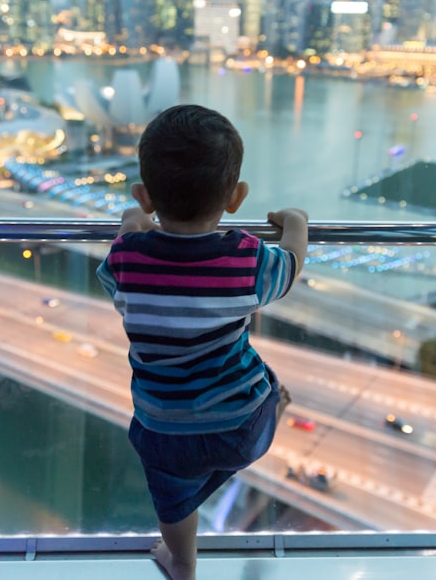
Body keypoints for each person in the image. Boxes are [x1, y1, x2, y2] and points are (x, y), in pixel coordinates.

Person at [95, 104, 309, 580]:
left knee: (172, 501)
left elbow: (113, 279)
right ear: (236, 197)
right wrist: (295, 223)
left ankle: (184, 564)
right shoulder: (247, 259)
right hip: (241, 428)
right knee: (263, 381)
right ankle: (275, 406)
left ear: (144, 196)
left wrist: (132, 225)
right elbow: (290, 267)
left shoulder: (128, 260)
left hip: (164, 431)